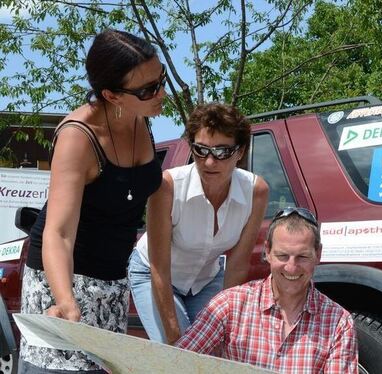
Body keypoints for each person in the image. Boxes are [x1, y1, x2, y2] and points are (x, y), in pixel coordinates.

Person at [19, 29, 165, 373]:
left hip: (112, 282)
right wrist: (65, 300)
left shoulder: (139, 117)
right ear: (111, 95)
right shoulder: (77, 138)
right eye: (148, 90)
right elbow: (58, 233)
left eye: (160, 80)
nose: (161, 94)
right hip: (64, 279)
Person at [128, 102, 269, 344]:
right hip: (154, 274)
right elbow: (159, 267)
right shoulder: (168, 187)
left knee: (214, 347)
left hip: (206, 280)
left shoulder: (255, 191)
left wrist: (227, 325)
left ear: (240, 151)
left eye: (222, 152)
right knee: (179, 352)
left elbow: (237, 265)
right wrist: (174, 337)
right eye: (201, 150)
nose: (210, 162)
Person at [175, 207, 358, 373]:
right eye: (282, 256)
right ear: (268, 252)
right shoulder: (228, 305)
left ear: (318, 254)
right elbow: (175, 363)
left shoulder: (338, 323)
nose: (291, 268)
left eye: (302, 257)